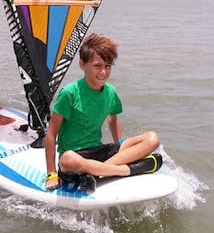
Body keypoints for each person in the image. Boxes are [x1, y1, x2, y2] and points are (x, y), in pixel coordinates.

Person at [44, 33, 162, 191]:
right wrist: (51, 174)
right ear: (82, 65)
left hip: (99, 150)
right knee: (67, 159)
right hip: (76, 156)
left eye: (107, 66)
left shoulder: (110, 92)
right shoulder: (69, 93)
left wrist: (122, 149)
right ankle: (125, 170)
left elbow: (113, 120)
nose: (103, 72)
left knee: (152, 138)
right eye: (97, 66)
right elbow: (51, 134)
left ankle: (98, 172)